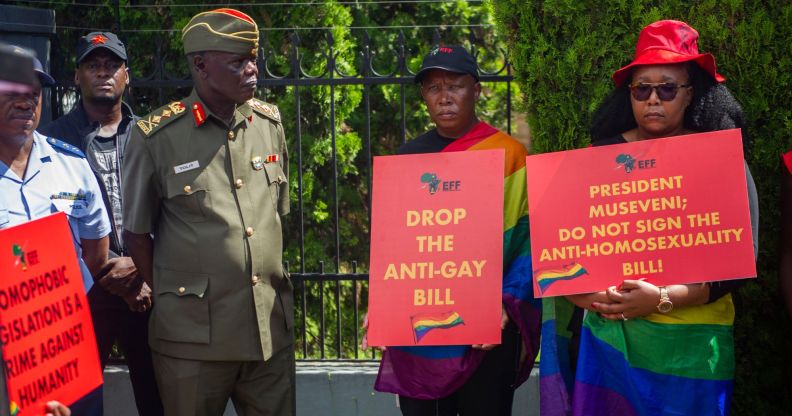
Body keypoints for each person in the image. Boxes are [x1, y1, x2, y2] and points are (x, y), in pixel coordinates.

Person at [541, 20, 759, 416]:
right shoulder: (596, 156)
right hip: (610, 347)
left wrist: (660, 299)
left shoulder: (721, 160)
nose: (653, 99)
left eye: (667, 87)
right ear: (630, 95)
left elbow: (741, 264)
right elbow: (561, 251)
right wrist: (580, 294)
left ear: (691, 94)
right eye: (643, 88)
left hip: (691, 350)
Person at [122, 8, 293, 416]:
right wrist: (175, 297)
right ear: (200, 65)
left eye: (253, 58)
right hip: (192, 343)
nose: (252, 70)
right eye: (238, 61)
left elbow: (275, 217)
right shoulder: (156, 138)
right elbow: (136, 236)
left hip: (267, 331)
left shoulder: (268, 124)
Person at [373, 45, 541, 416]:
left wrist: (506, 304)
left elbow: (528, 240)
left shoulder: (509, 155)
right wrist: (382, 303)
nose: (444, 97)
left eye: (456, 85)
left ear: (476, 90)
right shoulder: (407, 160)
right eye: (433, 88)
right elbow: (396, 244)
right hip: (421, 329)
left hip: (488, 325)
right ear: (423, 97)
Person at [38, 32, 164, 416]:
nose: (103, 72)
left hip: (149, 291)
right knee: (75, 402)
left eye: (112, 65)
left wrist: (143, 268)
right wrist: (115, 269)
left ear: (127, 74)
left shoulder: (153, 136)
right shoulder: (52, 140)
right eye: (93, 65)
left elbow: (174, 209)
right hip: (84, 295)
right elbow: (51, 218)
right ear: (77, 77)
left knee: (158, 399)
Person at [0, 47, 110, 416]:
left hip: (66, 345)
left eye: (33, 90)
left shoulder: (73, 165)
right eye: (12, 89)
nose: (25, 99)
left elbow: (95, 256)